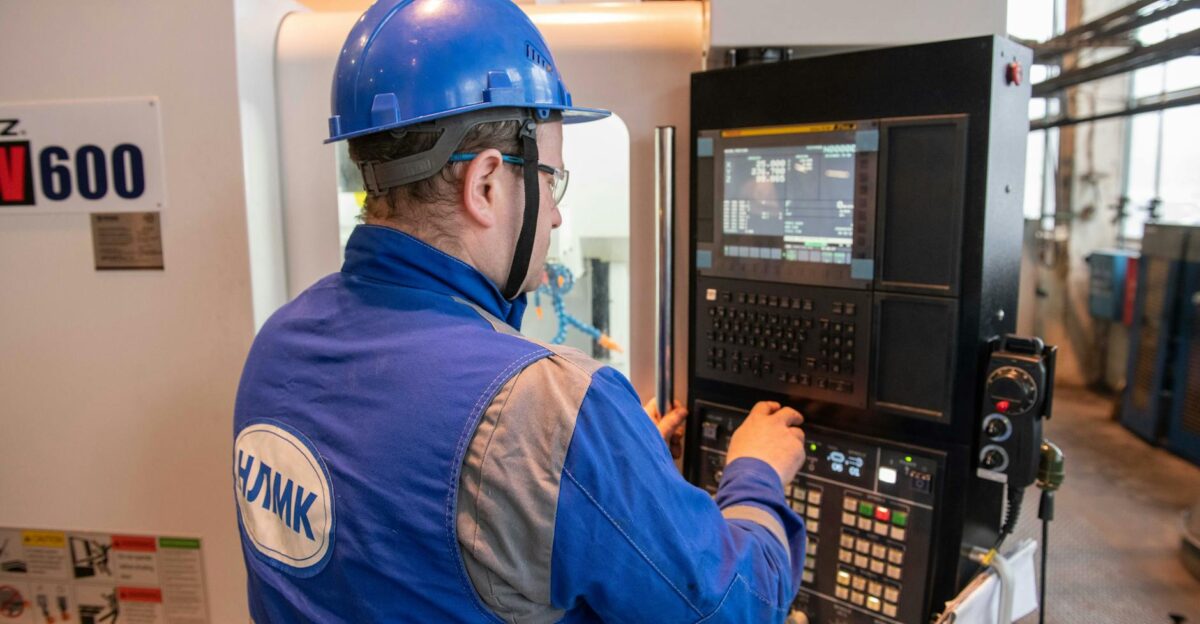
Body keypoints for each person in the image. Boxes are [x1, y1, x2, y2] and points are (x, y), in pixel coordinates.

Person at [231, 1, 809, 621]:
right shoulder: (552, 411)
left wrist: (610, 474)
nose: (554, 215)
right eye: (551, 179)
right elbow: (739, 606)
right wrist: (755, 472)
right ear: (484, 185)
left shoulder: (278, 344)